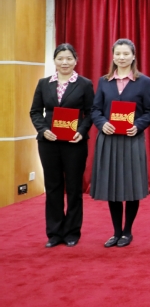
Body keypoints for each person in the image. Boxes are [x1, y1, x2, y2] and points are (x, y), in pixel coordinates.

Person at [90, 39, 150, 247]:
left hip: (131, 139)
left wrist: (138, 125)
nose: (121, 57)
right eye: (118, 53)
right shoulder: (104, 81)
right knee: (112, 186)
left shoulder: (144, 81)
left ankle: (127, 231)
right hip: (109, 139)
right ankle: (116, 232)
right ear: (113, 56)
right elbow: (95, 109)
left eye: (126, 54)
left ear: (133, 56)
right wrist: (102, 124)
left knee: (131, 185)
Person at [29, 43, 95, 248]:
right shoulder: (44, 83)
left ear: (75, 60)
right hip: (48, 142)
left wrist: (81, 131)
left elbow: (91, 112)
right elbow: (35, 111)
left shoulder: (84, 84)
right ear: (55, 61)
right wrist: (43, 130)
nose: (64, 62)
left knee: (74, 187)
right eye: (60, 58)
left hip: (74, 143)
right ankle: (55, 232)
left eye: (69, 58)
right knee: (53, 187)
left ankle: (72, 232)